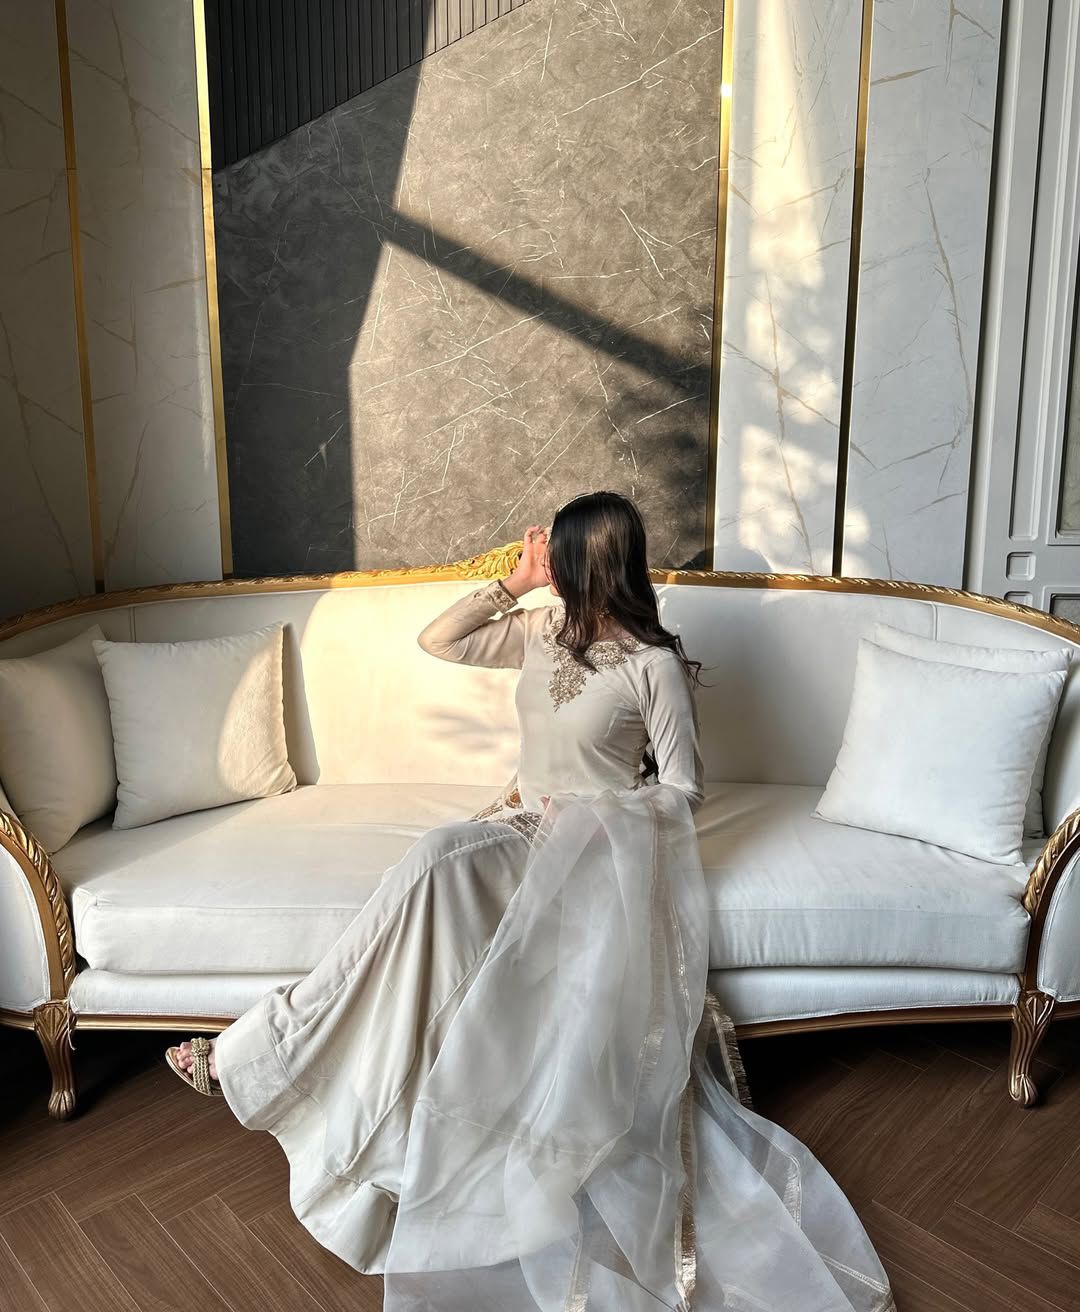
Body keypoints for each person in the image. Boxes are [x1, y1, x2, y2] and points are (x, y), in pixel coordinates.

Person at [166, 492, 895, 1311]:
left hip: (585, 858)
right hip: (512, 830)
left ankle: (265, 1053)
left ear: (595, 562)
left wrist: (596, 817)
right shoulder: (543, 628)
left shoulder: (652, 665)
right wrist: (512, 583)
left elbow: (685, 790)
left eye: (560, 556)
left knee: (436, 859)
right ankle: (309, 1077)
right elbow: (440, 639)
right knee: (423, 908)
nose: (551, 566)